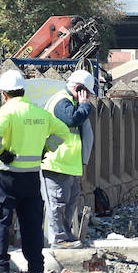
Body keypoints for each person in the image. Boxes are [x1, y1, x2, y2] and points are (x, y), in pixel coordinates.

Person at [0, 70, 70, 273]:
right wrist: (46, 149)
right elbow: (63, 132)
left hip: (7, 176)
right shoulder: (39, 113)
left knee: (1, 221)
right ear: (23, 91)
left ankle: (0, 269)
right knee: (31, 223)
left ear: (4, 93)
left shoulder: (6, 112)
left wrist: (1, 153)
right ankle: (36, 268)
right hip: (32, 176)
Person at [41, 69, 97, 247]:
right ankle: (58, 239)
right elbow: (72, 119)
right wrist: (84, 105)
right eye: (87, 93)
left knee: (69, 204)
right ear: (80, 88)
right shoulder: (61, 101)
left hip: (69, 164)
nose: (88, 97)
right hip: (56, 162)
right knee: (57, 204)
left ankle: (66, 236)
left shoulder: (71, 102)